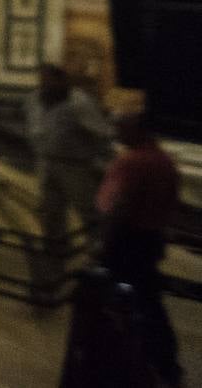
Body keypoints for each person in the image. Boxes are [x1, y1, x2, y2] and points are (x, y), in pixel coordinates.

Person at [95, 112, 181, 386]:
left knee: (117, 301)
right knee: (149, 300)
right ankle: (166, 363)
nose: (117, 133)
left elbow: (119, 206)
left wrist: (104, 242)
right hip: (150, 239)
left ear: (138, 130)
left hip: (127, 240)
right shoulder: (164, 160)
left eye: (121, 127)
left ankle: (120, 362)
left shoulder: (132, 162)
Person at [27, 64, 114, 289]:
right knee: (51, 212)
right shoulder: (35, 99)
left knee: (87, 210)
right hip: (47, 163)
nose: (43, 84)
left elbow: (102, 134)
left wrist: (101, 163)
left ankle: (99, 255)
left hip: (75, 166)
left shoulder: (79, 103)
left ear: (61, 81)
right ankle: (56, 254)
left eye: (48, 80)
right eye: (42, 80)